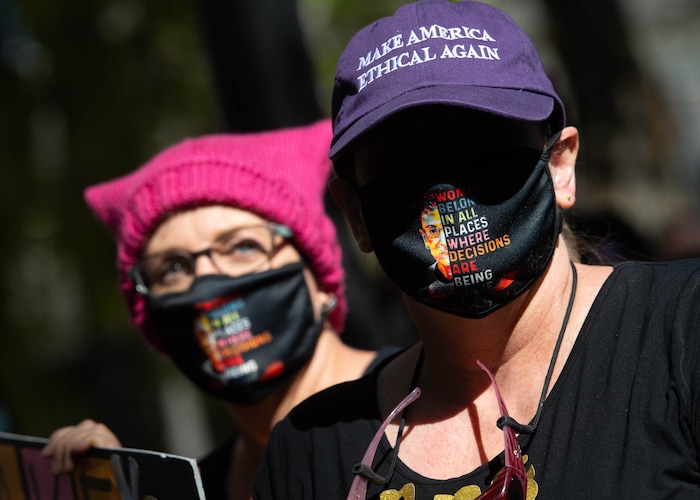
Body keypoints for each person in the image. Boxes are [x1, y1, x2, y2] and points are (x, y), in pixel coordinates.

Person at [253, 1, 700, 498]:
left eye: (482, 141)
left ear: (560, 165)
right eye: (403, 158)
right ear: (356, 214)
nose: (446, 183)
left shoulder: (683, 330)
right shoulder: (311, 450)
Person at [41, 120, 397, 500]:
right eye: (173, 268)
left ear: (319, 279)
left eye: (243, 247)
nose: (208, 283)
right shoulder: (195, 489)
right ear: (156, 326)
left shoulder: (420, 403)